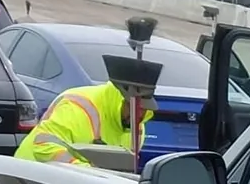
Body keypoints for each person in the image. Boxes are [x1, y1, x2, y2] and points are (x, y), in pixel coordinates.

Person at [14, 54, 161, 168]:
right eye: (133, 107)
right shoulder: (78, 106)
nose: (139, 115)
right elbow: (42, 145)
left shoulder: (136, 129)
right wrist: (86, 172)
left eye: (144, 109)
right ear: (120, 99)